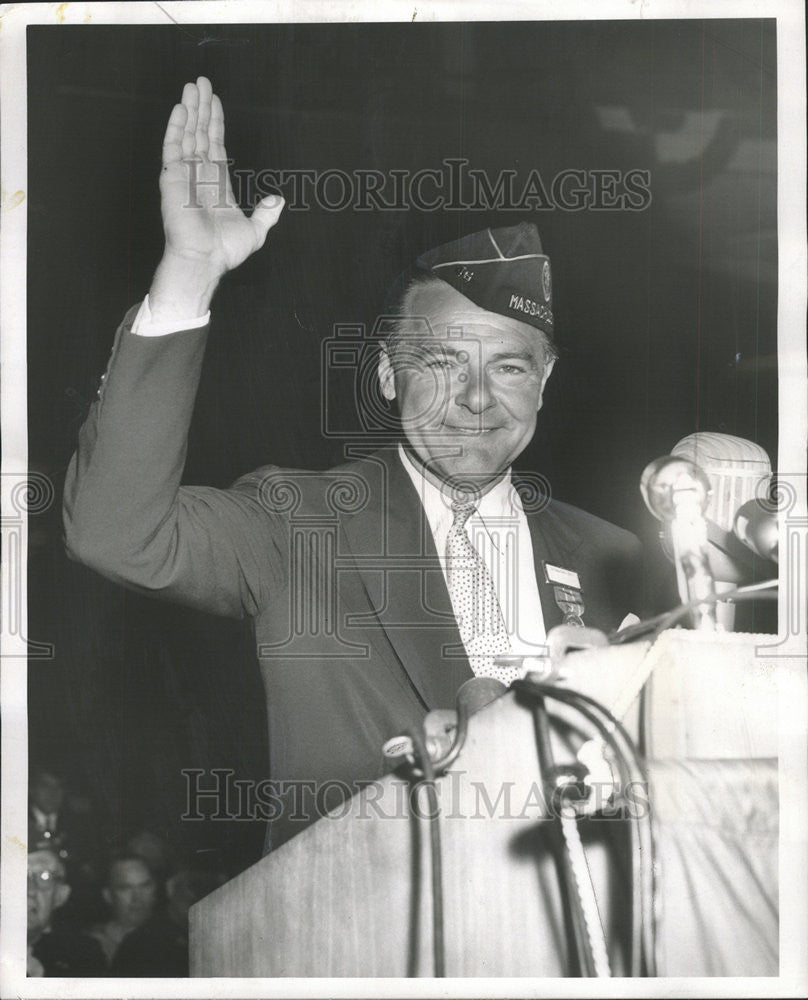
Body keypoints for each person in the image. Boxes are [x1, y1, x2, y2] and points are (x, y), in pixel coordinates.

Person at [63, 77, 642, 850]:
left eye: (508, 367)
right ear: (384, 375)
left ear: (543, 381)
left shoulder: (613, 558)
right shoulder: (297, 522)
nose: (476, 399)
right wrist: (190, 277)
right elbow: (114, 533)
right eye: (440, 363)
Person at [27, 849, 106, 977]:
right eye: (17, 874)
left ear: (60, 896)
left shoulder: (83, 957)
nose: (30, 890)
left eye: (44, 877)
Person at [89, 855, 158, 968]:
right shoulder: (91, 947)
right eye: (125, 888)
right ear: (108, 895)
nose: (137, 898)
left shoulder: (176, 942)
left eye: (145, 886)